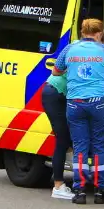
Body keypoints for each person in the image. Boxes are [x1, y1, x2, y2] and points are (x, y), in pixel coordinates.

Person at [53, 18, 104, 205]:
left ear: (82, 32)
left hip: (75, 103)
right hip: (99, 103)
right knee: (99, 146)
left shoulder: (70, 49)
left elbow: (56, 71)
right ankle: (100, 191)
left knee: (79, 146)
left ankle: (79, 191)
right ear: (99, 33)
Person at [40, 63, 74, 200]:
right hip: (55, 94)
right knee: (63, 140)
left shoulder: (79, 50)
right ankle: (58, 186)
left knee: (66, 139)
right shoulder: (90, 55)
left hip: (56, 92)